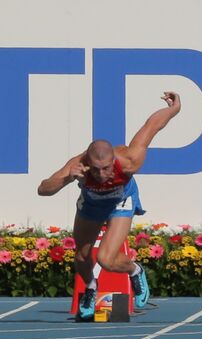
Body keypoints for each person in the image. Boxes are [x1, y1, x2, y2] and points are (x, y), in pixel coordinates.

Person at [38, 92, 181, 320]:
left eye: (106, 168)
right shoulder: (78, 165)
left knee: (106, 259)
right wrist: (66, 178)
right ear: (88, 162)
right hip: (92, 203)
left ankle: (136, 270)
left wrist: (173, 109)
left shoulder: (129, 160)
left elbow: (152, 126)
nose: (102, 174)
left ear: (113, 159)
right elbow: (43, 189)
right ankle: (90, 288)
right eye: (96, 169)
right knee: (82, 257)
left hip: (120, 200)